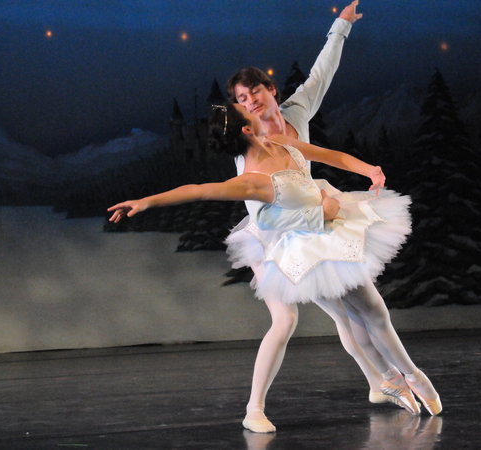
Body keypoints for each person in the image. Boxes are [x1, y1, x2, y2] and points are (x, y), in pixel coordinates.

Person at [108, 103, 442, 432]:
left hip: (332, 228)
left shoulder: (278, 141)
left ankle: (393, 378)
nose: (257, 111)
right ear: (246, 129)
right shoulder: (251, 181)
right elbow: (199, 191)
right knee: (355, 313)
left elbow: (329, 156)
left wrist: (369, 169)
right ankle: (407, 377)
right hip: (305, 250)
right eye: (248, 112)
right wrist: (146, 202)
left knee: (366, 313)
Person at [224, 1, 429, 432]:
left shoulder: (295, 113)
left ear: (271, 90)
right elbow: (264, 216)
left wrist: (341, 26)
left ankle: (378, 383)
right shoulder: (250, 150)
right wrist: (317, 213)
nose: (251, 101)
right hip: (271, 235)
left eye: (255, 91)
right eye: (242, 99)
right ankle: (253, 409)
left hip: (309, 216)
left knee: (345, 314)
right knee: (286, 320)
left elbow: (321, 74)